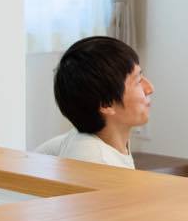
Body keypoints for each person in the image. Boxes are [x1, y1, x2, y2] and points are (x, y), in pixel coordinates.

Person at [35, 36, 152, 169]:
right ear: (106, 103)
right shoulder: (97, 162)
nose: (150, 88)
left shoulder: (93, 140)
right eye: (138, 81)